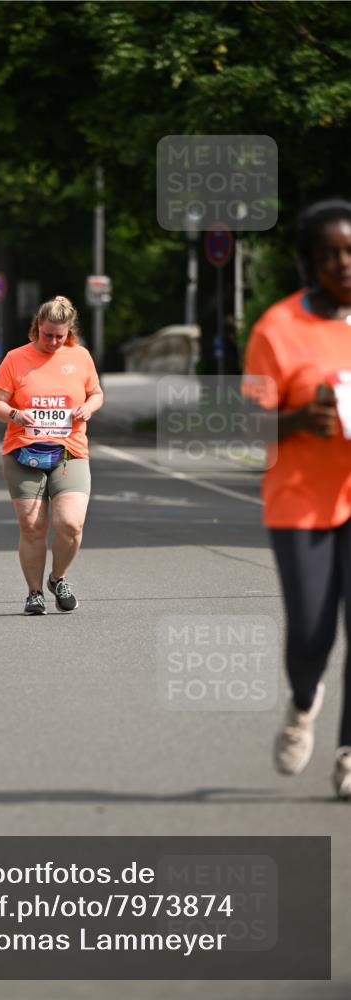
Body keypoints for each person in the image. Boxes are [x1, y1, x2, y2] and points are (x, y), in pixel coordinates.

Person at [243, 199, 351, 799]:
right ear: (310, 261)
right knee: (312, 632)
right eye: (331, 253)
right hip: (302, 501)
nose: (345, 262)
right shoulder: (277, 329)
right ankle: (305, 701)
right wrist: (297, 421)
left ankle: (348, 752)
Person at [0, 295, 104, 615]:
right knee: (32, 526)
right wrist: (14, 414)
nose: (54, 341)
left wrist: (89, 407)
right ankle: (35, 592)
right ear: (37, 326)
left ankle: (58, 577)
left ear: (69, 331)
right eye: (48, 334)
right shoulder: (15, 359)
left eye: (61, 335)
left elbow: (96, 393)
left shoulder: (80, 357)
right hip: (23, 450)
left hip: (70, 450)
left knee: (70, 523)